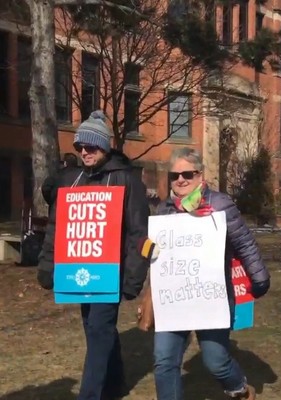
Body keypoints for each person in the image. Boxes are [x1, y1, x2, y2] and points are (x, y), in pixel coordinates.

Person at [37, 110, 152, 400]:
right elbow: (57, 227)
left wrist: (133, 278)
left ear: (105, 146)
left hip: (110, 273)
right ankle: (114, 384)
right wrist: (48, 265)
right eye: (80, 147)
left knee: (99, 329)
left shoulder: (127, 181)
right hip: (78, 271)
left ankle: (90, 395)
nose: (85, 152)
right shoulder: (72, 181)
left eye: (91, 146)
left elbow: (140, 233)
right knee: (94, 328)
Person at [152, 148, 270, 400]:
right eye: (174, 175)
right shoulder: (164, 210)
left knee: (215, 360)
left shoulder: (219, 204)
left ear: (199, 175)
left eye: (187, 174)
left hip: (211, 297)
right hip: (174, 300)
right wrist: (147, 249)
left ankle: (239, 388)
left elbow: (244, 243)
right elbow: (154, 250)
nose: (180, 180)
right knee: (164, 361)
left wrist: (259, 278)